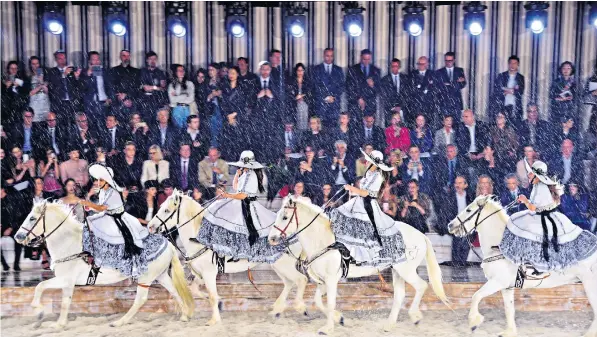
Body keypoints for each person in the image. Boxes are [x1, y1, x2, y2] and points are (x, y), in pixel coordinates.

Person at [500, 160, 597, 271]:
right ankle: (529, 266)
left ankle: (539, 266)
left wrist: (525, 200)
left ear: (536, 174)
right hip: (540, 216)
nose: (528, 174)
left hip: (543, 217)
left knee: (532, 235)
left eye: (531, 172)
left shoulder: (541, 187)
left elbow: (534, 208)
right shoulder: (537, 186)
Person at [196, 151, 283, 262]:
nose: (242, 167)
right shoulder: (245, 174)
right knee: (217, 208)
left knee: (233, 220)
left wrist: (227, 195)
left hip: (247, 204)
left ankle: (240, 251)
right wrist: (237, 175)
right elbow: (236, 187)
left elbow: (243, 195)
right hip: (239, 201)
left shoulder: (252, 176)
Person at [78, 164, 157, 277]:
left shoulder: (113, 192)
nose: (98, 182)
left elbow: (102, 208)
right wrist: (89, 207)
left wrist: (88, 203)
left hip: (118, 219)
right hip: (107, 216)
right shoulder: (102, 192)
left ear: (107, 181)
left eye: (101, 180)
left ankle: (129, 265)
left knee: (125, 242)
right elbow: (100, 208)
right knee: (89, 223)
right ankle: (92, 255)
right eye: (98, 180)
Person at [330, 149, 405, 266]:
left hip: (367, 203)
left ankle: (364, 255)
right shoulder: (369, 173)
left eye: (368, 160)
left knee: (364, 229)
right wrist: (353, 191)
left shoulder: (378, 175)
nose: (366, 162)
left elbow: (366, 193)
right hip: (360, 201)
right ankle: (346, 249)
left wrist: (351, 188)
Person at [437, 175, 474, 267]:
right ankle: (457, 264)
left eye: (460, 183)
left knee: (466, 238)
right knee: (458, 237)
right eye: (456, 183)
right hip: (455, 225)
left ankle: (461, 263)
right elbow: (446, 213)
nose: (457, 185)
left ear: (466, 185)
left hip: (468, 225)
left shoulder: (471, 197)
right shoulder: (449, 197)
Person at [310, 48, 344, 128]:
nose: (329, 58)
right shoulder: (316, 69)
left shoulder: (338, 70)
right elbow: (314, 86)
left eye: (331, 56)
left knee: (333, 130)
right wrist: (325, 97)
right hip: (320, 106)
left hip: (334, 106)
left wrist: (333, 96)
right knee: (319, 131)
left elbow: (341, 86)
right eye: (327, 56)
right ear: (324, 56)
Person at [46, 50, 82, 125]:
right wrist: (63, 75)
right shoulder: (52, 71)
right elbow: (53, 87)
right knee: (60, 125)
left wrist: (77, 77)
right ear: (56, 60)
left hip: (72, 103)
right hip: (59, 103)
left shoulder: (72, 69)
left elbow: (78, 86)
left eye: (64, 58)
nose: (63, 60)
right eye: (60, 58)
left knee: (73, 124)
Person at [346, 49, 381, 123]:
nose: (366, 61)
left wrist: (373, 85)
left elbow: (379, 89)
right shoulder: (353, 69)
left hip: (370, 106)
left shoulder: (376, 70)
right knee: (355, 127)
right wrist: (358, 98)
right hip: (355, 105)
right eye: (364, 59)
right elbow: (349, 87)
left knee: (369, 128)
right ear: (361, 57)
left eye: (368, 59)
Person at [80, 51, 112, 128]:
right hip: (90, 104)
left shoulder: (105, 71)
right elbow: (82, 88)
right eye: (94, 59)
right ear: (89, 61)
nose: (96, 61)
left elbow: (110, 86)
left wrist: (110, 98)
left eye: (98, 59)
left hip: (103, 103)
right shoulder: (84, 72)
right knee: (91, 126)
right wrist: (88, 74)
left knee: (103, 125)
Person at [492, 55, 525, 124]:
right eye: (511, 63)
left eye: (515, 63)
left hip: (516, 108)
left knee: (515, 128)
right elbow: (497, 90)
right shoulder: (501, 76)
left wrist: (506, 90)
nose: (512, 65)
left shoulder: (520, 77)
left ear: (518, 65)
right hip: (502, 107)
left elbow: (520, 92)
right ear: (508, 64)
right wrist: (513, 90)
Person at [407, 56, 437, 128]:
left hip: (428, 107)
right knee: (414, 128)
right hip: (415, 107)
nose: (421, 66)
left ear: (427, 64)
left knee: (427, 128)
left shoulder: (432, 74)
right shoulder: (412, 74)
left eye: (423, 64)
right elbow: (410, 90)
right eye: (419, 64)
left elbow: (434, 90)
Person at [109, 49, 141, 116]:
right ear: (120, 57)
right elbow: (110, 87)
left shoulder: (136, 71)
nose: (126, 58)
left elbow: (137, 88)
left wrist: (127, 96)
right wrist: (120, 98)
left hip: (131, 103)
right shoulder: (113, 70)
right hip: (117, 104)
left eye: (128, 56)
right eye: (124, 56)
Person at [435, 52, 466, 120]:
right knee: (444, 124)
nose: (448, 62)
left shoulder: (459, 70)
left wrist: (448, 84)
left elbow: (463, 84)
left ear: (454, 60)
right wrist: (456, 83)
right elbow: (438, 86)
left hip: (456, 103)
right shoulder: (439, 72)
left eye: (450, 60)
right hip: (444, 103)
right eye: (446, 60)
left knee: (457, 124)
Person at [139, 51, 168, 122]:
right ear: (147, 60)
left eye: (154, 59)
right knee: (145, 121)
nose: (153, 61)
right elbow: (139, 86)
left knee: (156, 121)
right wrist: (143, 87)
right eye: (150, 59)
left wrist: (153, 87)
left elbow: (163, 88)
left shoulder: (160, 73)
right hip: (144, 101)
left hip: (156, 101)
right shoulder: (141, 72)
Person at [380, 58, 409, 126]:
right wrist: (393, 107)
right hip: (389, 110)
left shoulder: (405, 78)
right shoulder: (384, 80)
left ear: (399, 67)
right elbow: (384, 96)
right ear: (390, 67)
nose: (394, 68)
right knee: (390, 131)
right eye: (393, 66)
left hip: (402, 110)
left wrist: (400, 107)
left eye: (396, 66)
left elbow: (407, 95)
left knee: (403, 129)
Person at [2, 61, 28, 126]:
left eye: (15, 68)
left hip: (19, 114)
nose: (14, 70)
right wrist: (6, 87)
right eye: (12, 68)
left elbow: (26, 94)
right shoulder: (4, 81)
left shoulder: (21, 81)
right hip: (7, 114)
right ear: (8, 69)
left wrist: (19, 85)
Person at [286, 63, 311, 130]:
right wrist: (295, 98)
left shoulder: (307, 81)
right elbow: (289, 94)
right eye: (298, 70)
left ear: (304, 71)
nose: (300, 72)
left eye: (301, 70)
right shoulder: (292, 81)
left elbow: (310, 93)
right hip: (295, 105)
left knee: (305, 124)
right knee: (296, 124)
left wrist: (303, 97)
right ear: (296, 71)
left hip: (305, 105)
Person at [26, 56, 50, 123]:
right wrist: (40, 86)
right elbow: (30, 93)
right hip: (34, 105)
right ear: (30, 65)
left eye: (37, 63)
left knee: (45, 123)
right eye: (33, 64)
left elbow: (47, 91)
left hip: (44, 104)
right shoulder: (28, 77)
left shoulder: (45, 75)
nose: (35, 66)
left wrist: (41, 81)